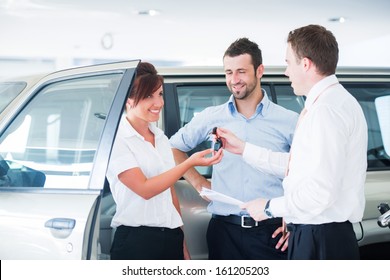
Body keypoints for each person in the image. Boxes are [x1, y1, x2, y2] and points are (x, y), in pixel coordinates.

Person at [217, 25, 368, 260]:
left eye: (288, 63)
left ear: (305, 64)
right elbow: (301, 165)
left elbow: (320, 192)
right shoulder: (329, 103)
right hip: (320, 235)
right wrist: (245, 150)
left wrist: (268, 208)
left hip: (321, 239)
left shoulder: (326, 111)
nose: (286, 71)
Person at [169, 38, 299, 260]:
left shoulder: (289, 121)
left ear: (259, 71)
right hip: (223, 232)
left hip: (272, 232)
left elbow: (303, 172)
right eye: (229, 72)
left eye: (241, 71)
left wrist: (293, 216)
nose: (234, 80)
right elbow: (172, 147)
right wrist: (198, 181)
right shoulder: (211, 117)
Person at [106, 62, 223, 260]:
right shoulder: (117, 139)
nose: (159, 103)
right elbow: (145, 189)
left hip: (170, 237)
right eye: (149, 96)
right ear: (128, 99)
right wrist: (187, 163)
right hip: (136, 242)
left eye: (159, 94)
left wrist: (183, 244)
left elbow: (170, 191)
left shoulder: (160, 137)